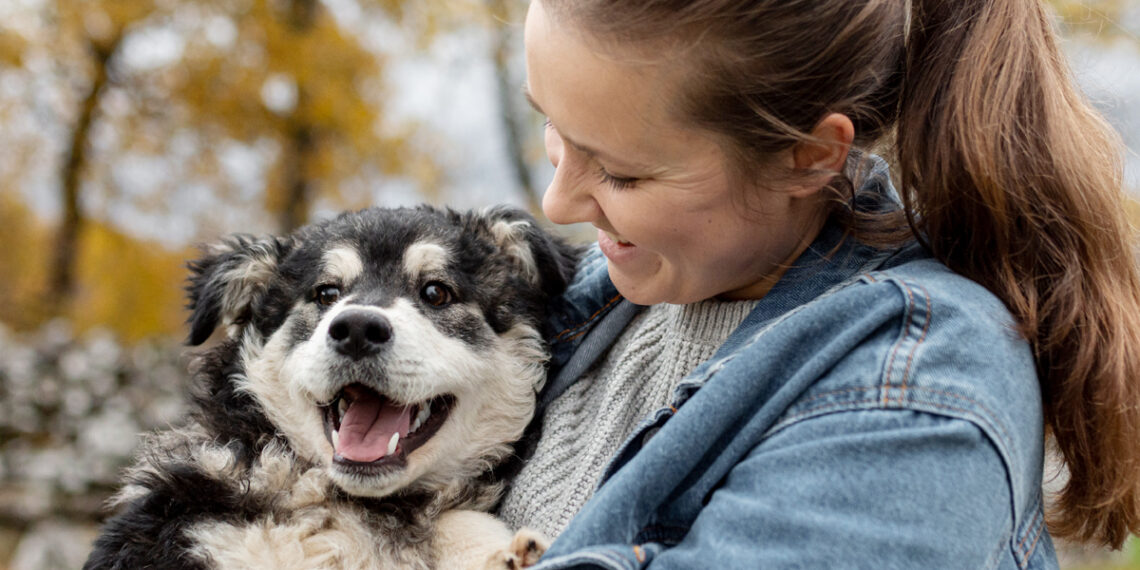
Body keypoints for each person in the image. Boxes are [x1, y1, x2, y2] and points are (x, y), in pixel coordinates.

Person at [496, 0, 1140, 568]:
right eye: (551, 123)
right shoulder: (580, 297)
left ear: (809, 156)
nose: (555, 204)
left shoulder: (913, 404)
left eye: (620, 173)